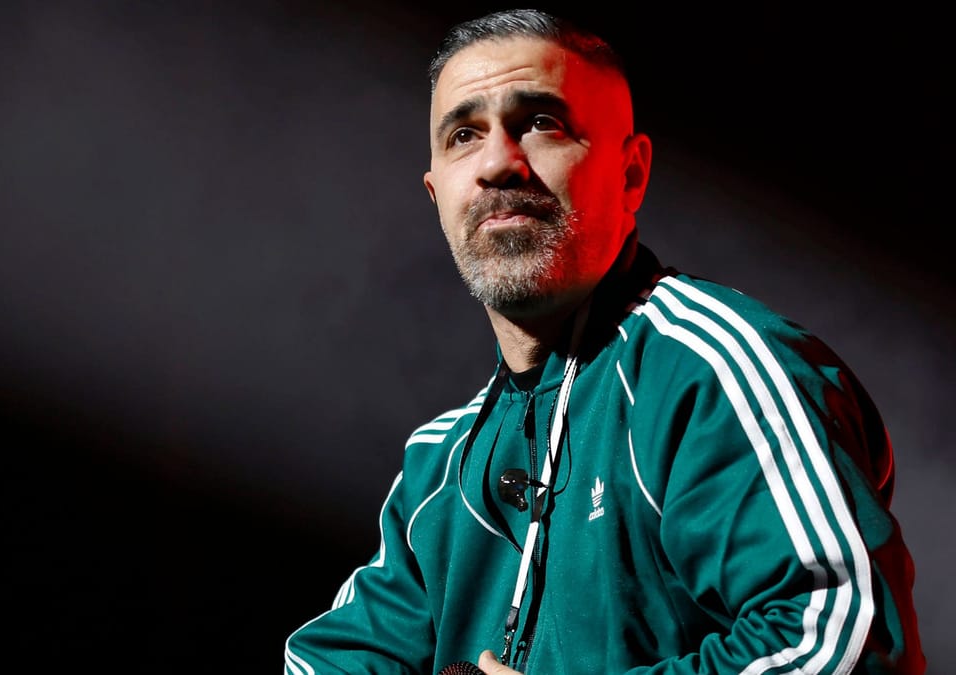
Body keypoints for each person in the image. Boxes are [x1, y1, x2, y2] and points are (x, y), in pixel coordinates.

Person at [282, 8, 925, 675]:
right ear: (435, 192)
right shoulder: (438, 465)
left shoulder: (713, 373)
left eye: (541, 122)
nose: (498, 162)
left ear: (631, 172)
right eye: (464, 134)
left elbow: (845, 641)